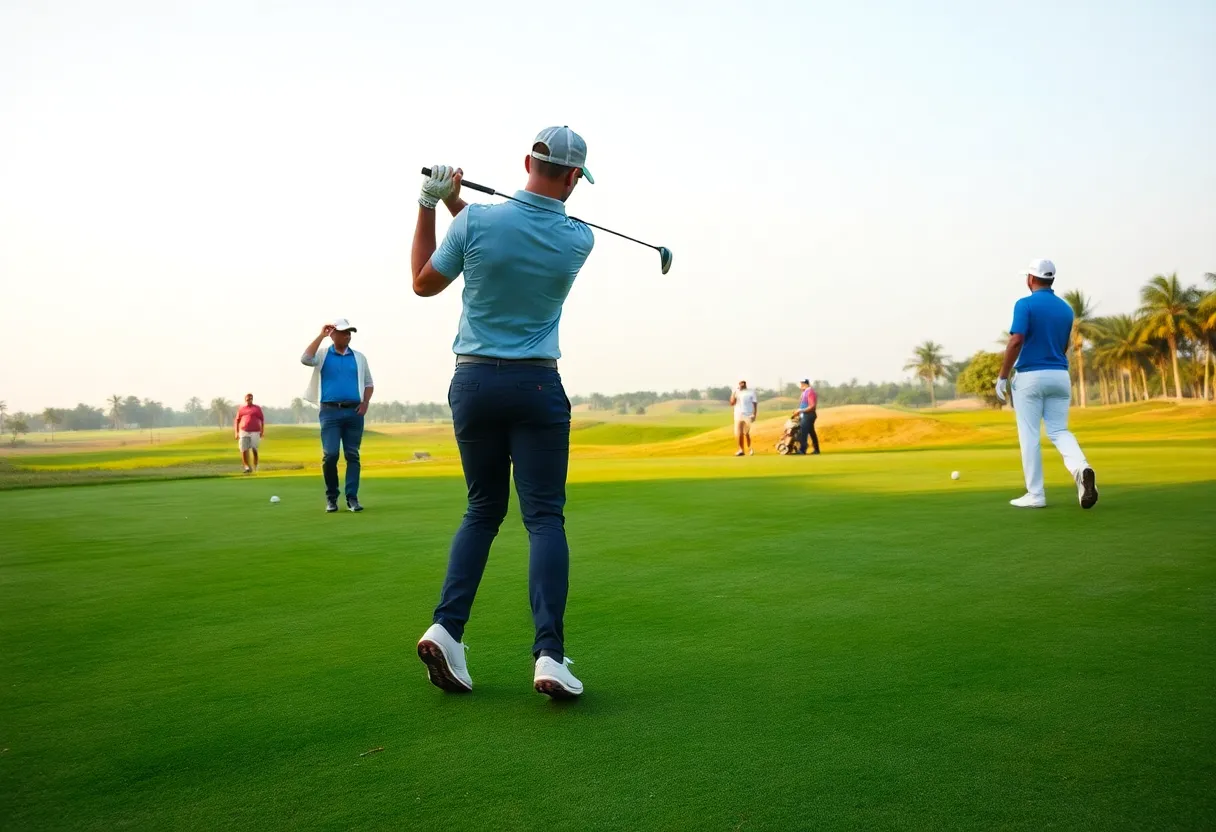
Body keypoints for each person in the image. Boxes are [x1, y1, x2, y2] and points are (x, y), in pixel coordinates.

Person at [408, 126, 596, 700]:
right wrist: (457, 204)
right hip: (537, 386)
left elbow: (423, 284)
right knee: (544, 520)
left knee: (482, 510)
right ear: (572, 177)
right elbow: (505, 240)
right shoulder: (579, 239)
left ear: (526, 162)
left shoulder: (474, 223)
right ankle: (549, 656)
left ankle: (447, 629)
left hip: (473, 384)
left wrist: (432, 204)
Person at [996, 259, 1098, 509]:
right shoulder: (1066, 309)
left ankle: (1036, 494)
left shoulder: (1024, 304)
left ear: (1031, 279)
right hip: (1059, 375)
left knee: (1029, 434)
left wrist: (1002, 376)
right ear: (1051, 279)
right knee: (1059, 430)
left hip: (1030, 376)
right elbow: (1063, 346)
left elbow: (1016, 340)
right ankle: (1081, 468)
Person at [300, 319, 374, 513]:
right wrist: (321, 335)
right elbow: (305, 359)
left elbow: (368, 383)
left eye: (349, 333)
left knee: (352, 455)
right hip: (330, 411)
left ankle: (352, 498)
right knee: (331, 454)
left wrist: (365, 403)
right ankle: (331, 497)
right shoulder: (323, 355)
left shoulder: (359, 358)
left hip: (354, 412)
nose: (347, 336)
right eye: (343, 332)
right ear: (333, 335)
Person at [233, 393, 265, 473]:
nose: (249, 400)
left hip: (255, 431)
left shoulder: (257, 408)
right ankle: (247, 467)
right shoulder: (241, 409)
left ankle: (255, 466)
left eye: (250, 399)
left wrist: (262, 431)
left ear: (252, 399)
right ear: (245, 400)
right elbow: (237, 420)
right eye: (247, 399)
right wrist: (236, 432)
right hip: (244, 431)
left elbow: (262, 420)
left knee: (254, 449)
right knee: (243, 449)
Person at [729, 380, 758, 455]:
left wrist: (754, 414)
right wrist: (734, 393)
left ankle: (750, 448)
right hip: (738, 414)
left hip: (748, 414)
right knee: (739, 433)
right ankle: (741, 450)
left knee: (747, 433)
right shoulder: (736, 392)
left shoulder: (751, 392)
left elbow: (755, 403)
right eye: (740, 383)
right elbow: (732, 403)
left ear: (745, 384)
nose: (741, 384)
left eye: (743, 383)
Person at [792, 378, 820, 455]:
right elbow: (803, 403)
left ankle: (802, 450)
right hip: (806, 414)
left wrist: (800, 411)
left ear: (804, 384)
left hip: (808, 415)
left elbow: (812, 406)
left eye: (801, 384)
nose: (800, 386)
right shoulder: (805, 392)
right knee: (811, 432)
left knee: (803, 432)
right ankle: (816, 450)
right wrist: (798, 411)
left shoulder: (810, 391)